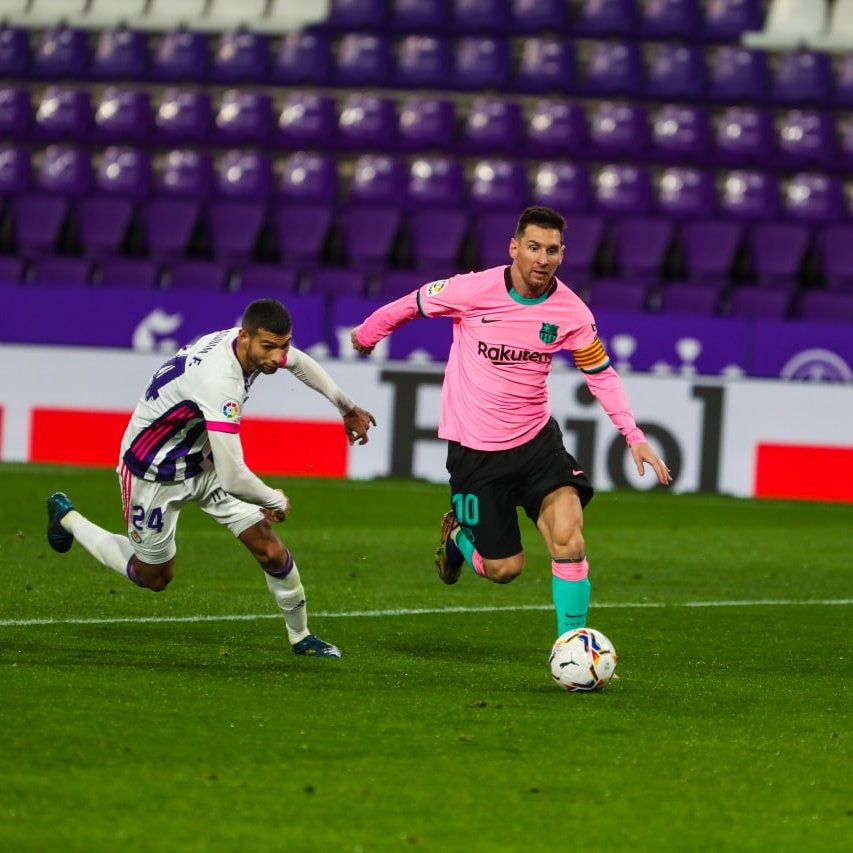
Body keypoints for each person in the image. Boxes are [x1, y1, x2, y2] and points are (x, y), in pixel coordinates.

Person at [351, 206, 671, 638]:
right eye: (534, 247)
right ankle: (459, 538)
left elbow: (600, 373)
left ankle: (571, 646)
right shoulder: (472, 289)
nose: (542, 258)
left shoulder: (571, 313)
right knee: (504, 569)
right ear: (514, 247)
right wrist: (367, 334)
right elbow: (414, 303)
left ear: (562, 254)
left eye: (552, 250)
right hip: (476, 452)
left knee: (570, 541)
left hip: (537, 444)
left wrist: (633, 434)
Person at [47, 298, 376, 658]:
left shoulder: (250, 348)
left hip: (203, 465)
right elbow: (235, 477)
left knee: (270, 550)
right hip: (153, 470)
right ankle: (68, 518)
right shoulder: (220, 381)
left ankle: (302, 637)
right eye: (269, 347)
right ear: (245, 337)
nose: (278, 358)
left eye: (284, 345)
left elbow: (298, 362)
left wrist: (345, 406)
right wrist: (273, 499)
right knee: (154, 577)